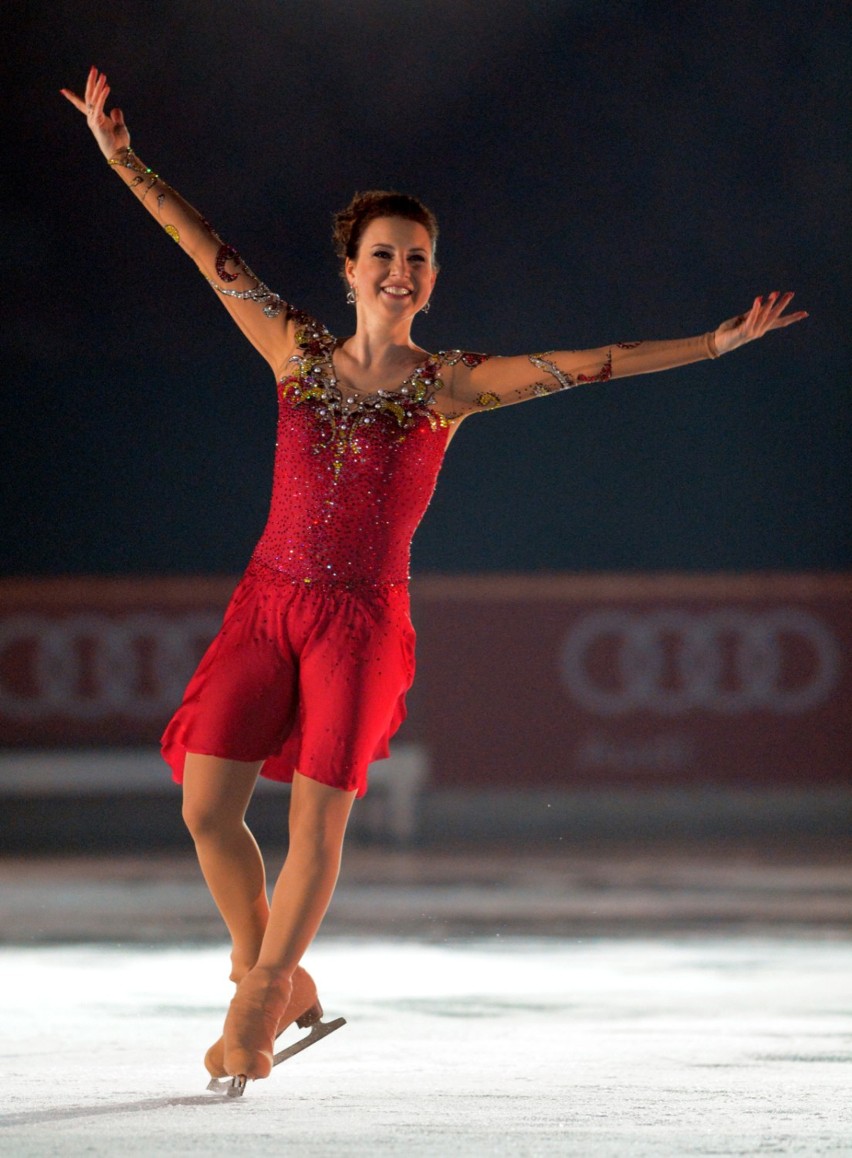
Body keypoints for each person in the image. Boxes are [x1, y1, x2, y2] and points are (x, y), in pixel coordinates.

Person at [61, 67, 807, 1093]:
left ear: (431, 275)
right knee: (204, 807)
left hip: (359, 624)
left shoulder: (448, 385)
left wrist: (715, 344)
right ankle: (272, 970)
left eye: (418, 258)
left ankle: (254, 1010)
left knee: (315, 822)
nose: (401, 271)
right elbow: (201, 245)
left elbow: (590, 362)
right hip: (265, 603)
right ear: (351, 269)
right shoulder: (293, 351)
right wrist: (121, 156)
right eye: (384, 256)